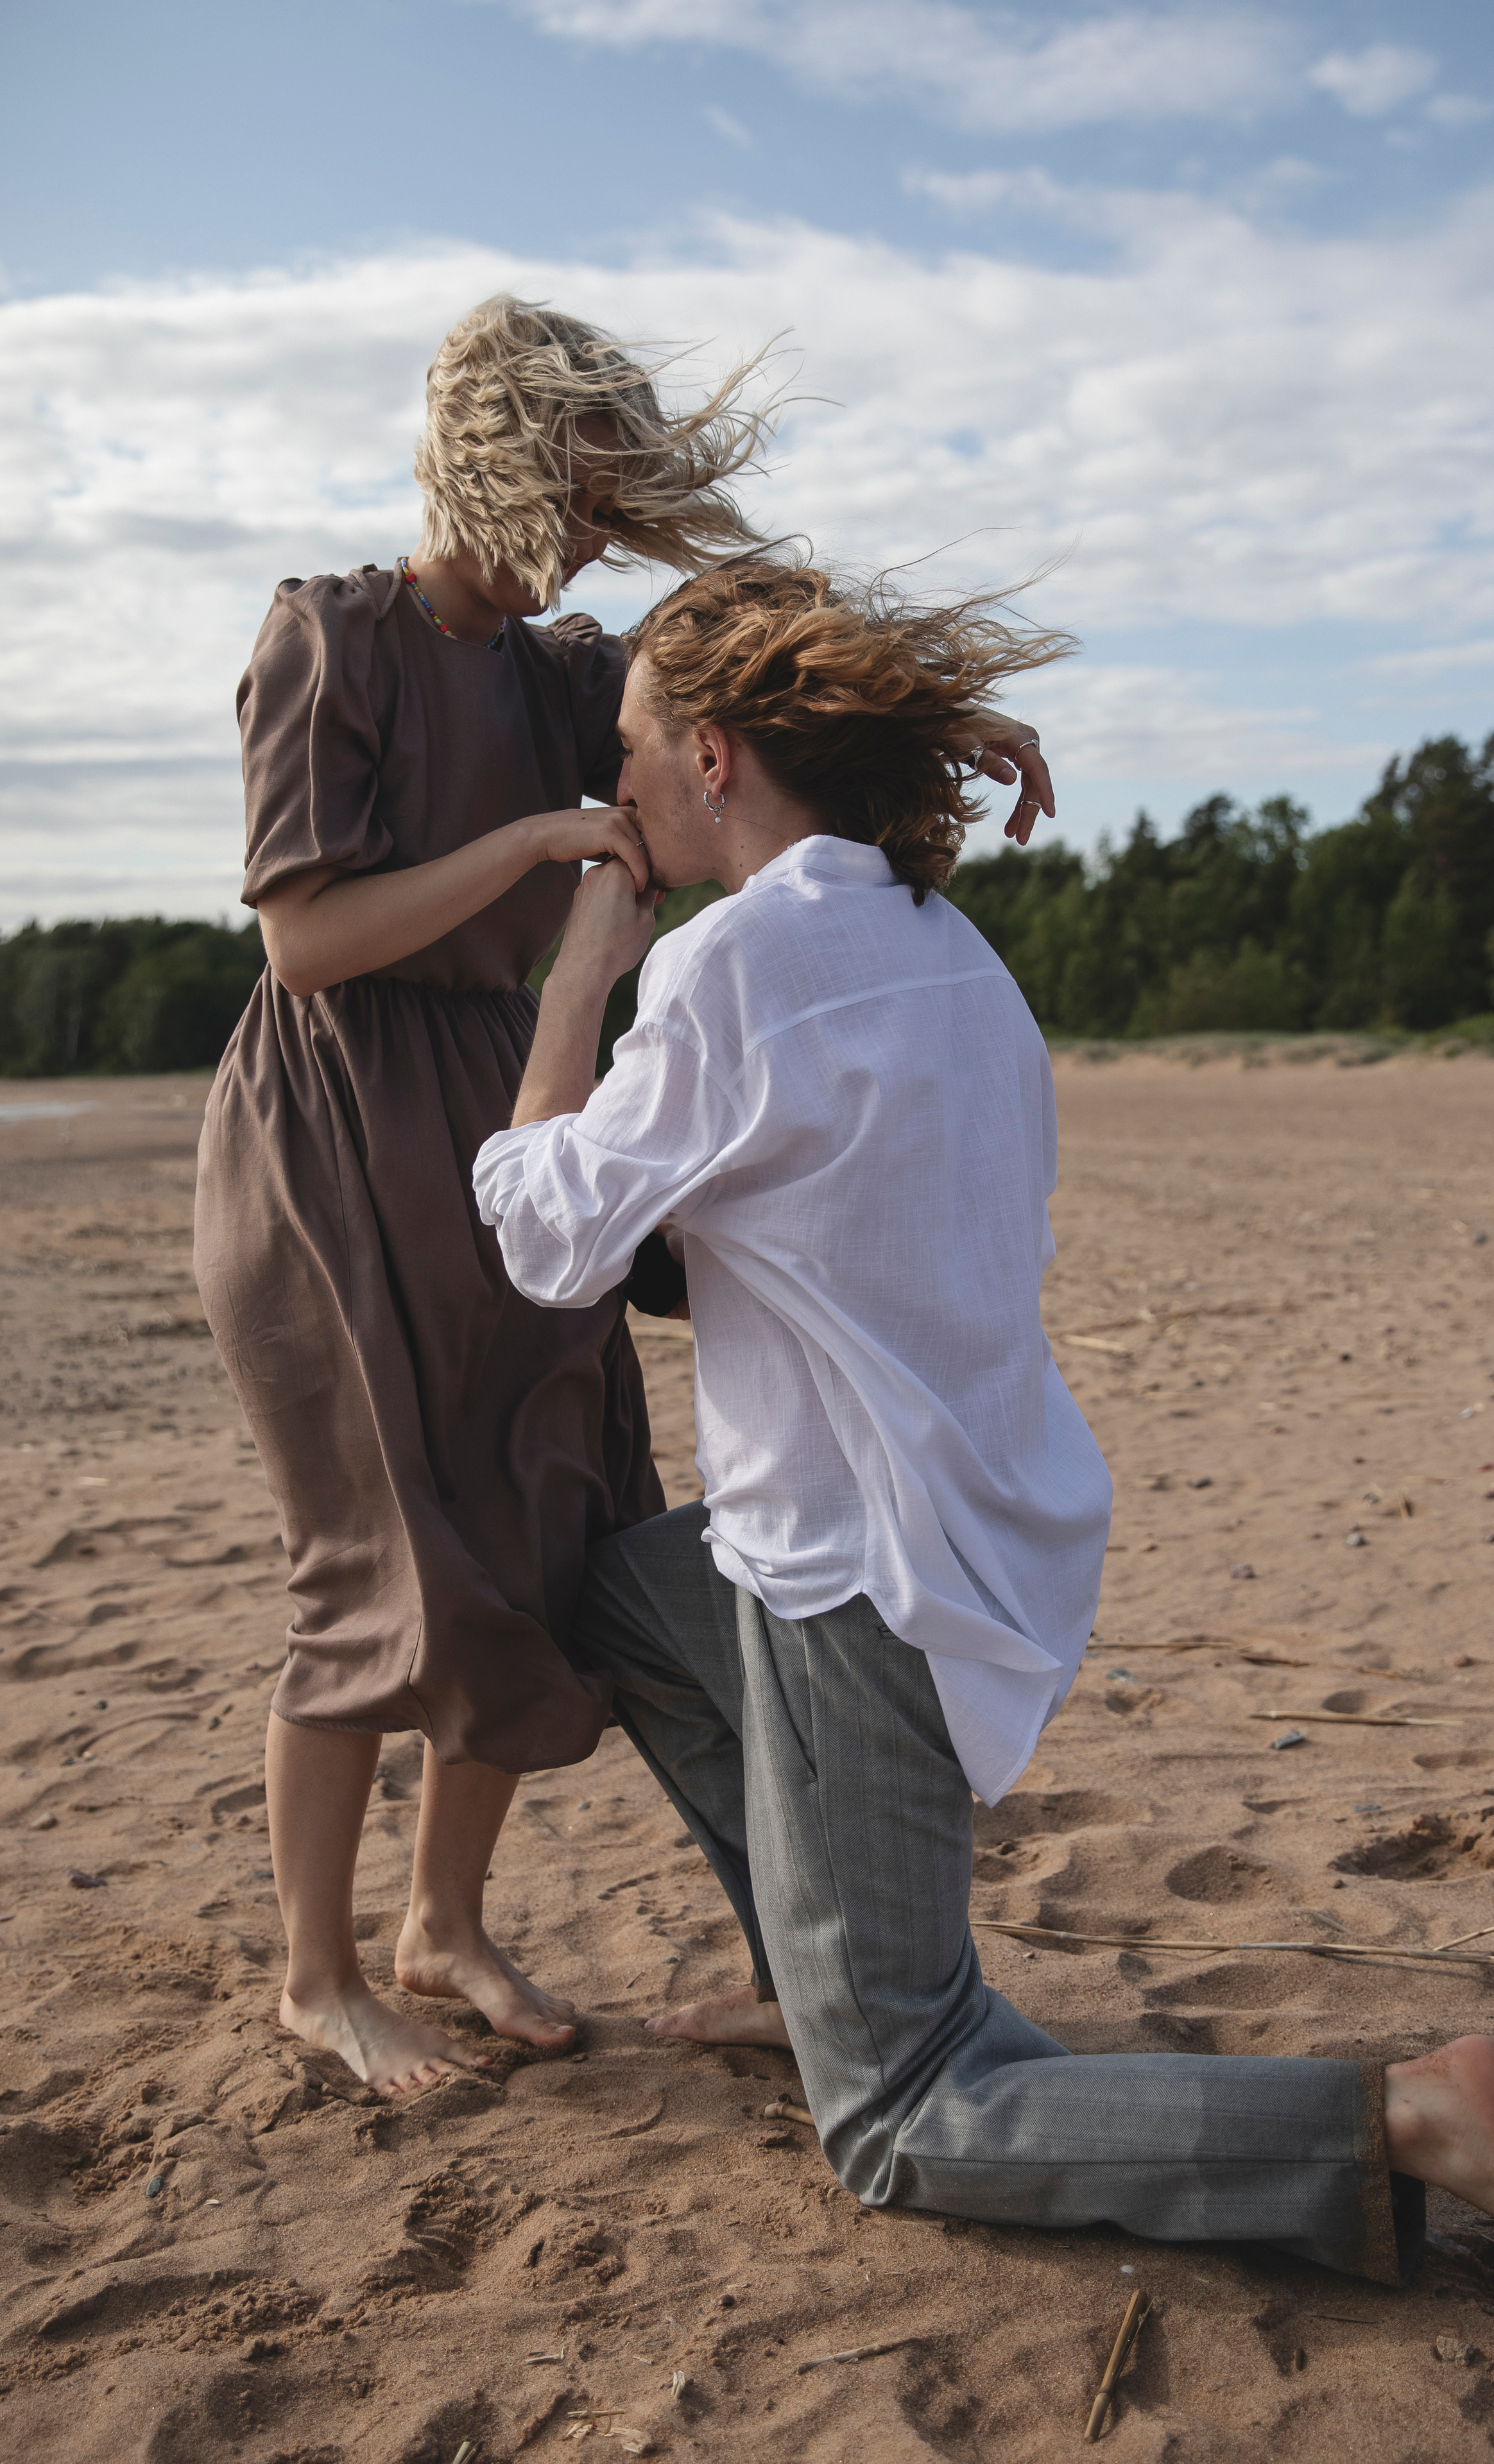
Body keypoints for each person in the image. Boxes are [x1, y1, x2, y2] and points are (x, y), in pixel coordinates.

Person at [473, 556, 1494, 2314]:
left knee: (907, 2115)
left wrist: (576, 976)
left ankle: (1398, 2120)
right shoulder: (949, 951)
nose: (616, 791)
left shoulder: (727, 969)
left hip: (861, 1578)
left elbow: (545, 1235)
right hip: (949, 1522)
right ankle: (828, 1977)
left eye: (629, 754)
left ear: (711, 756)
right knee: (624, 1599)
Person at [193, 295, 780, 2096]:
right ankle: (314, 1971)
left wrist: (958, 734)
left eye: (618, 510)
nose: (599, 540)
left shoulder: (556, 675)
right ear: (495, 463)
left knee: (536, 1529)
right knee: (373, 1561)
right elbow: (304, 941)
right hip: (329, 1135)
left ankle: (438, 1923)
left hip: (508, 1118)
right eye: (582, 500)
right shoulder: (330, 640)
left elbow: (769, 663)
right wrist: (528, 848)